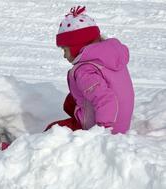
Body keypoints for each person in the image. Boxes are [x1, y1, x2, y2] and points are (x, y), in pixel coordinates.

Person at [45, 6, 134, 134]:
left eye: (65, 50)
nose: (64, 56)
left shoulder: (85, 71)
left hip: (105, 129)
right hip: (122, 122)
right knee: (70, 101)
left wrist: (102, 131)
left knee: (53, 129)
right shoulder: (110, 56)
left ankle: (23, 148)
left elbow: (106, 99)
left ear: (77, 47)